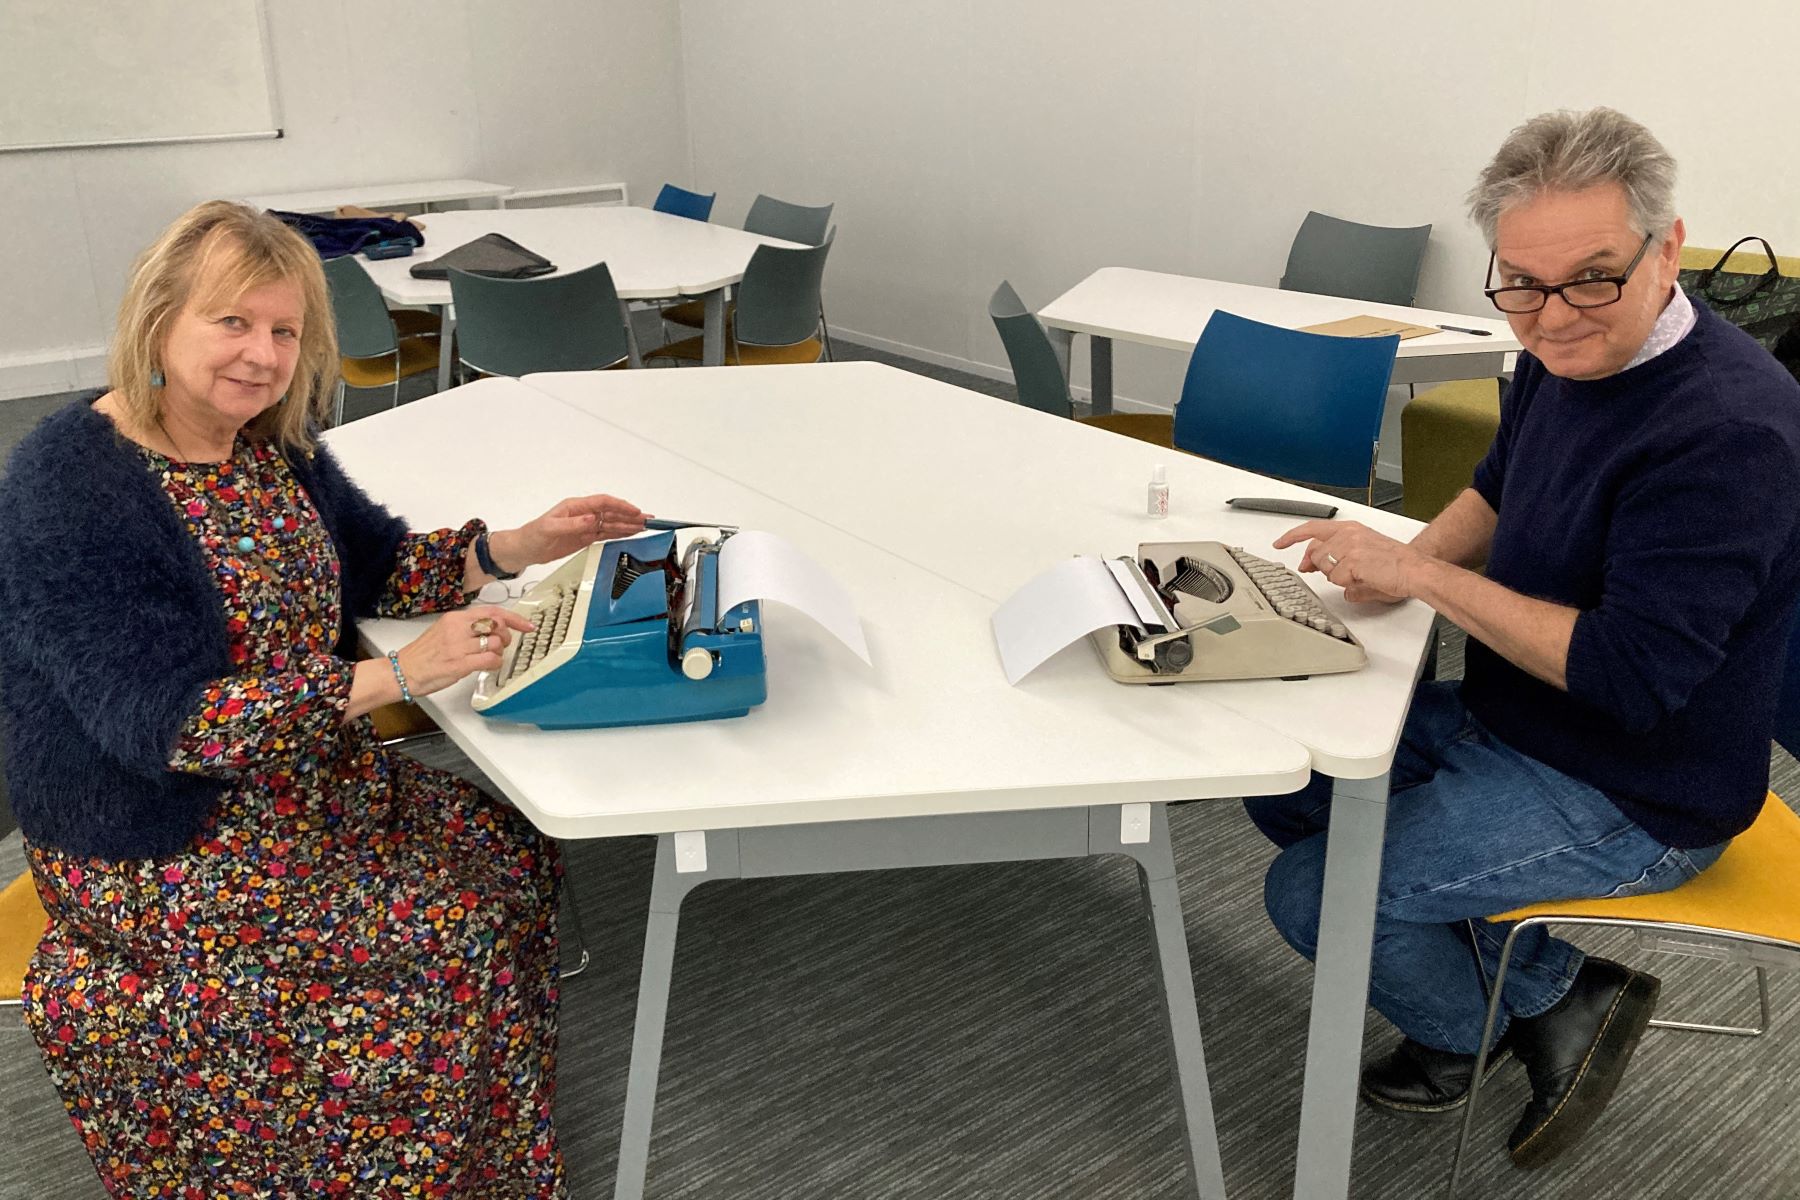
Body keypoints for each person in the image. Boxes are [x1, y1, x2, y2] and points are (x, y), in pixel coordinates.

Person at [0, 200, 649, 1197]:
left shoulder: (270, 442)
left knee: (508, 842)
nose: (262, 356)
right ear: (159, 317)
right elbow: (173, 725)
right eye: (232, 322)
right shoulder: (70, 483)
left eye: (285, 330)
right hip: (166, 832)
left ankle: (487, 1163)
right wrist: (397, 675)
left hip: (303, 775)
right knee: (450, 935)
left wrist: (513, 547)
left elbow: (376, 563)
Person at [1247, 108, 1800, 1170]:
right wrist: (1391, 574)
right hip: (1520, 716)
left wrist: (1423, 577)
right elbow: (1503, 482)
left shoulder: (1728, 433)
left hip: (1640, 788)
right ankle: (1548, 982)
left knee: (1312, 894)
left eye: (1592, 278)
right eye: (1521, 284)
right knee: (1290, 775)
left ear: (1668, 249)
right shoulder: (1563, 341)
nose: (1551, 320)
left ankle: (1515, 1012)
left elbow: (1631, 679)